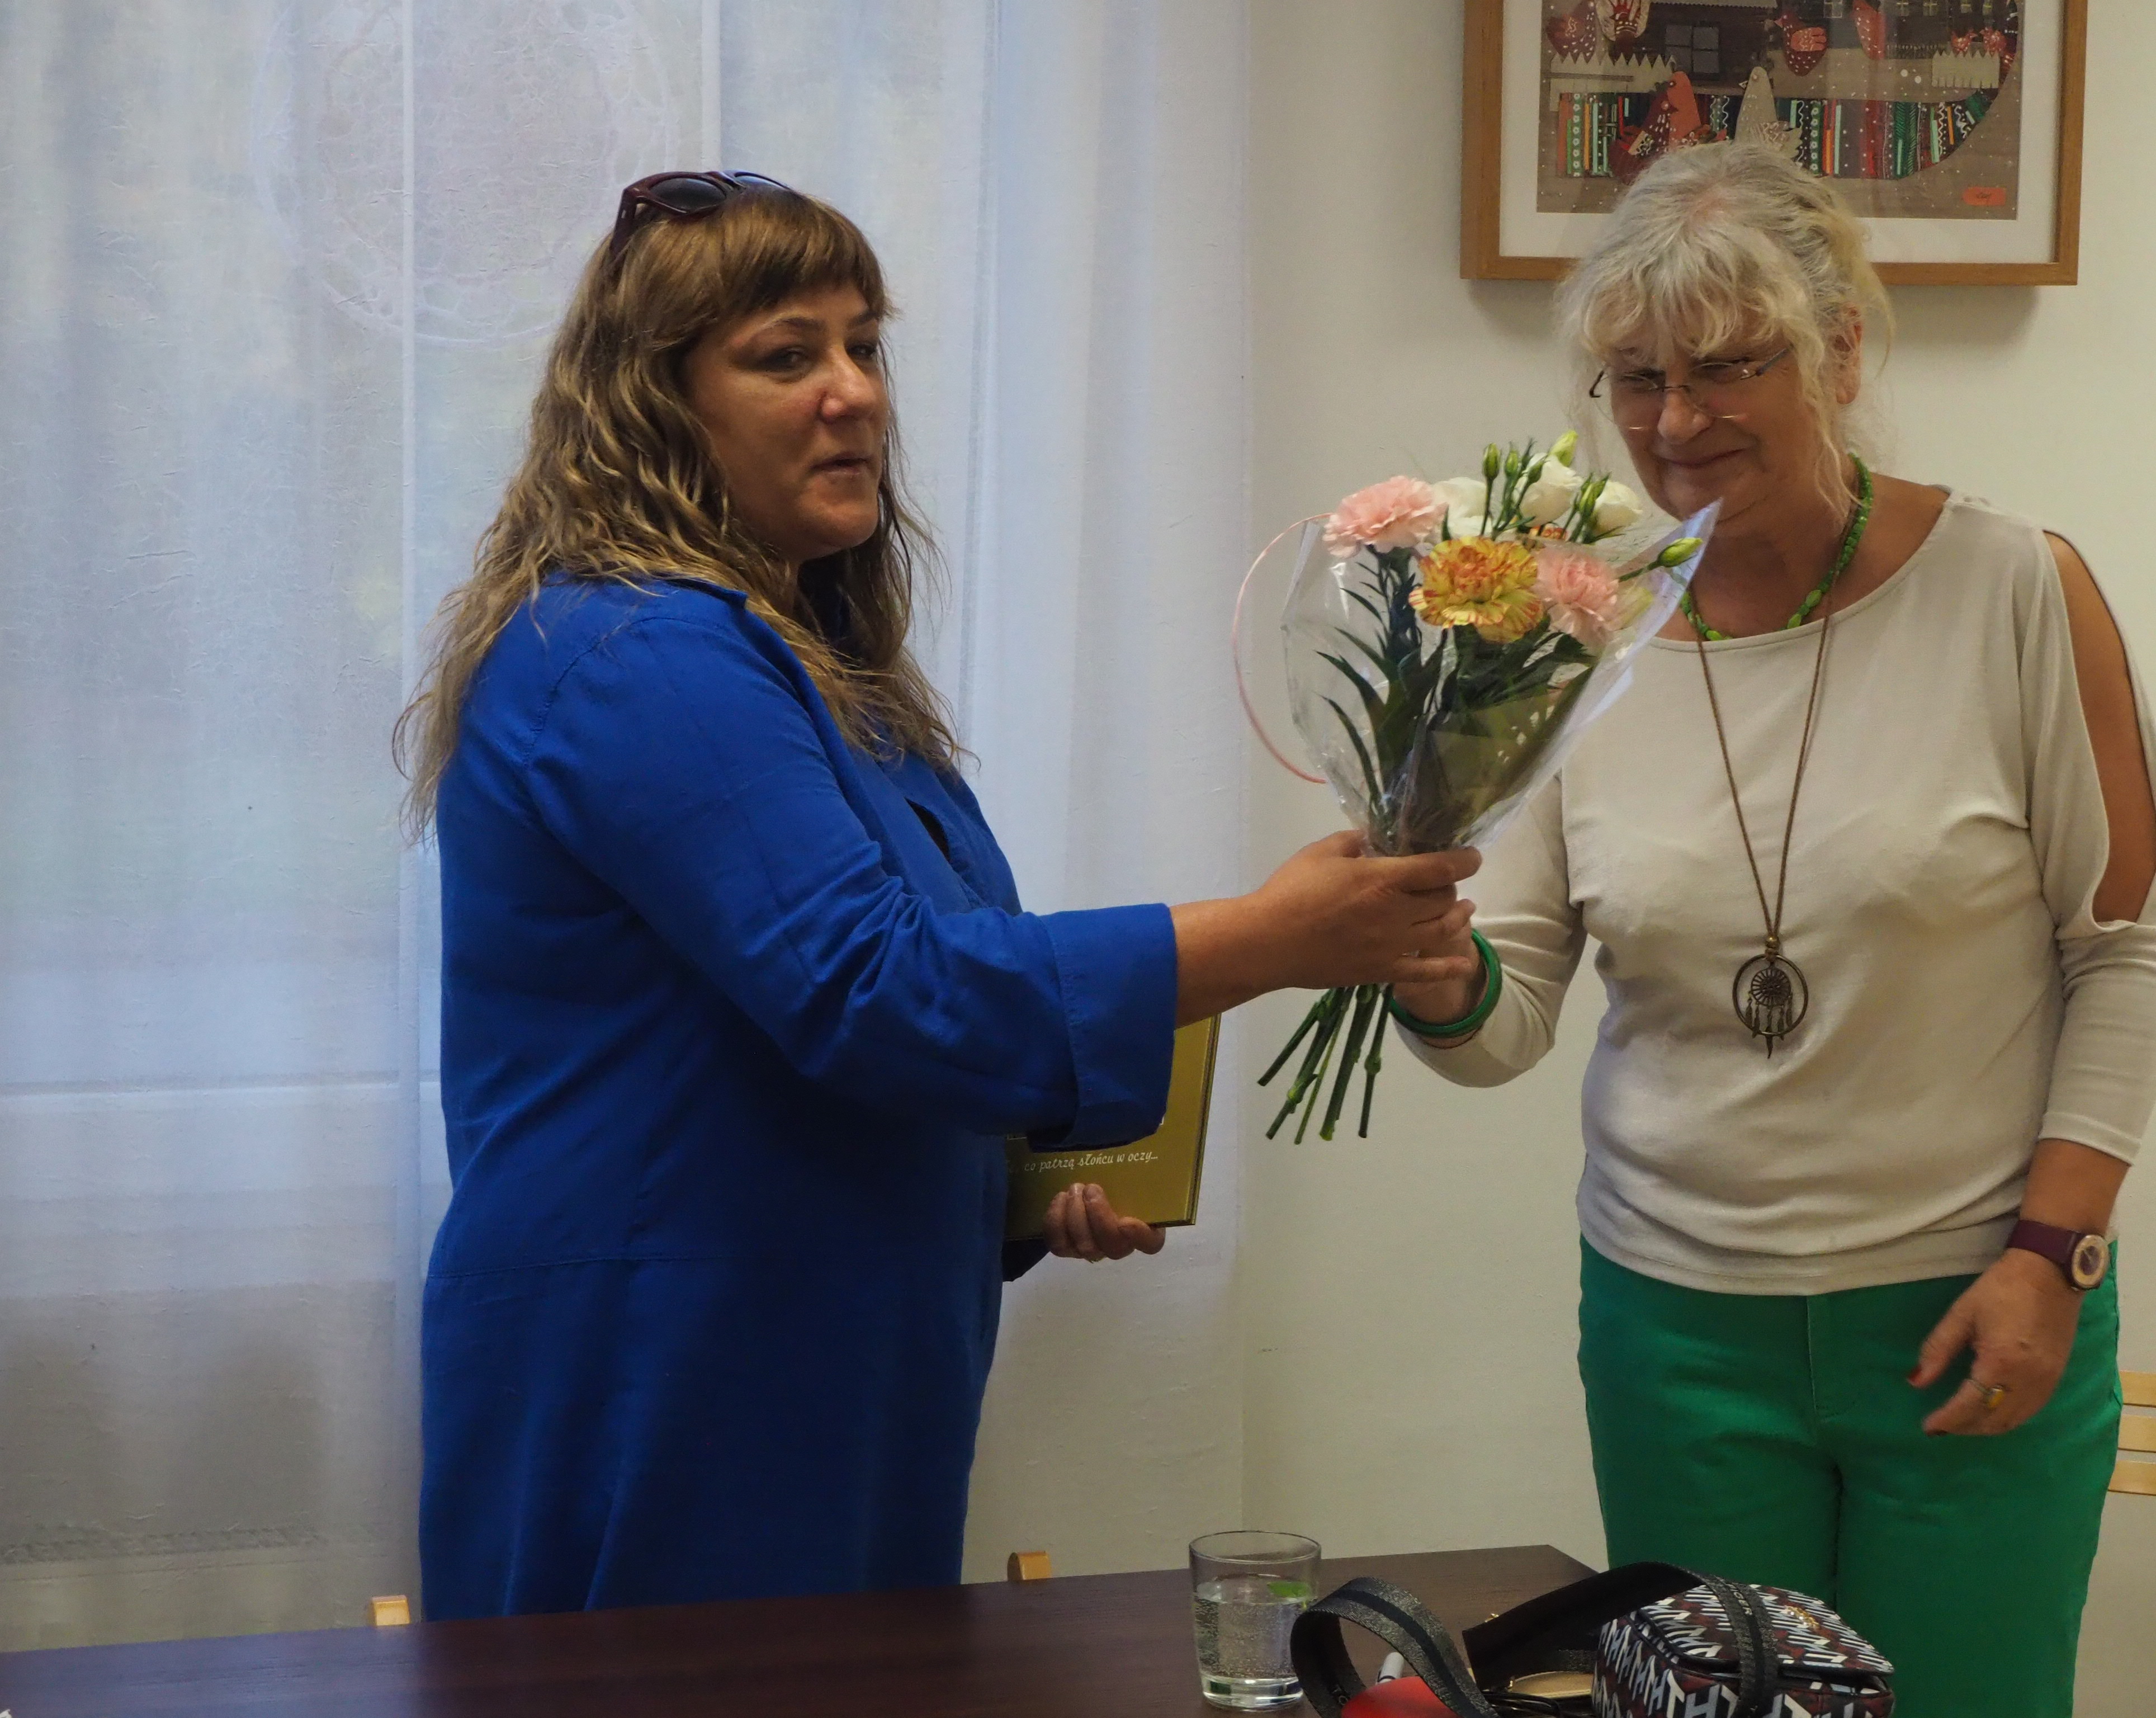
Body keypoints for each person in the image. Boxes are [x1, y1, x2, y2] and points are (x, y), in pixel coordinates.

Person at [395, 171, 1479, 1619]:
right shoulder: (640, 653)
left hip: (803, 1348)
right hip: (665, 1363)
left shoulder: (804, 662)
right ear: (657, 405)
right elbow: (877, 991)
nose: (854, 392)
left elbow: (879, 1017)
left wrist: (1022, 1188)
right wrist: (1269, 940)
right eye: (787, 355)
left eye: (865, 344)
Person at [1389, 142, 2156, 1718]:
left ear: (1843, 352)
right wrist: (1423, 968)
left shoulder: (2017, 590)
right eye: (1638, 379)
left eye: (1729, 366)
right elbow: (1508, 1021)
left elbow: (2125, 948)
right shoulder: (1572, 633)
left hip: (1973, 1308)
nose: (1678, 422)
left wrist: (2054, 1257)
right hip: (1677, 1329)